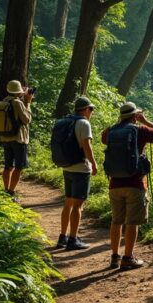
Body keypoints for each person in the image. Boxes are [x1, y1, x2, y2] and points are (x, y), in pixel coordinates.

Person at [102, 102, 153, 270]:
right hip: (135, 184)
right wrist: (145, 121)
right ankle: (128, 258)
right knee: (132, 222)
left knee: (116, 221)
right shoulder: (140, 131)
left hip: (114, 183)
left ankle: (114, 257)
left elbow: (103, 137)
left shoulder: (110, 131)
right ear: (135, 116)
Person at [56, 97, 98, 251]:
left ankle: (63, 237)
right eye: (91, 109)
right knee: (78, 205)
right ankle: (73, 239)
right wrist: (94, 164)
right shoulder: (83, 123)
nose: (91, 112)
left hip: (67, 167)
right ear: (86, 109)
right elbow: (87, 146)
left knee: (68, 202)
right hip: (81, 168)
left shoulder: (66, 121)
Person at [0, 80, 33, 199]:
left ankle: (5, 189)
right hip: (19, 138)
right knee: (18, 167)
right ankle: (11, 192)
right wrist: (28, 103)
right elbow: (27, 119)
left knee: (8, 166)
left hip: (5, 137)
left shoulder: (4, 101)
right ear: (18, 91)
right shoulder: (17, 103)